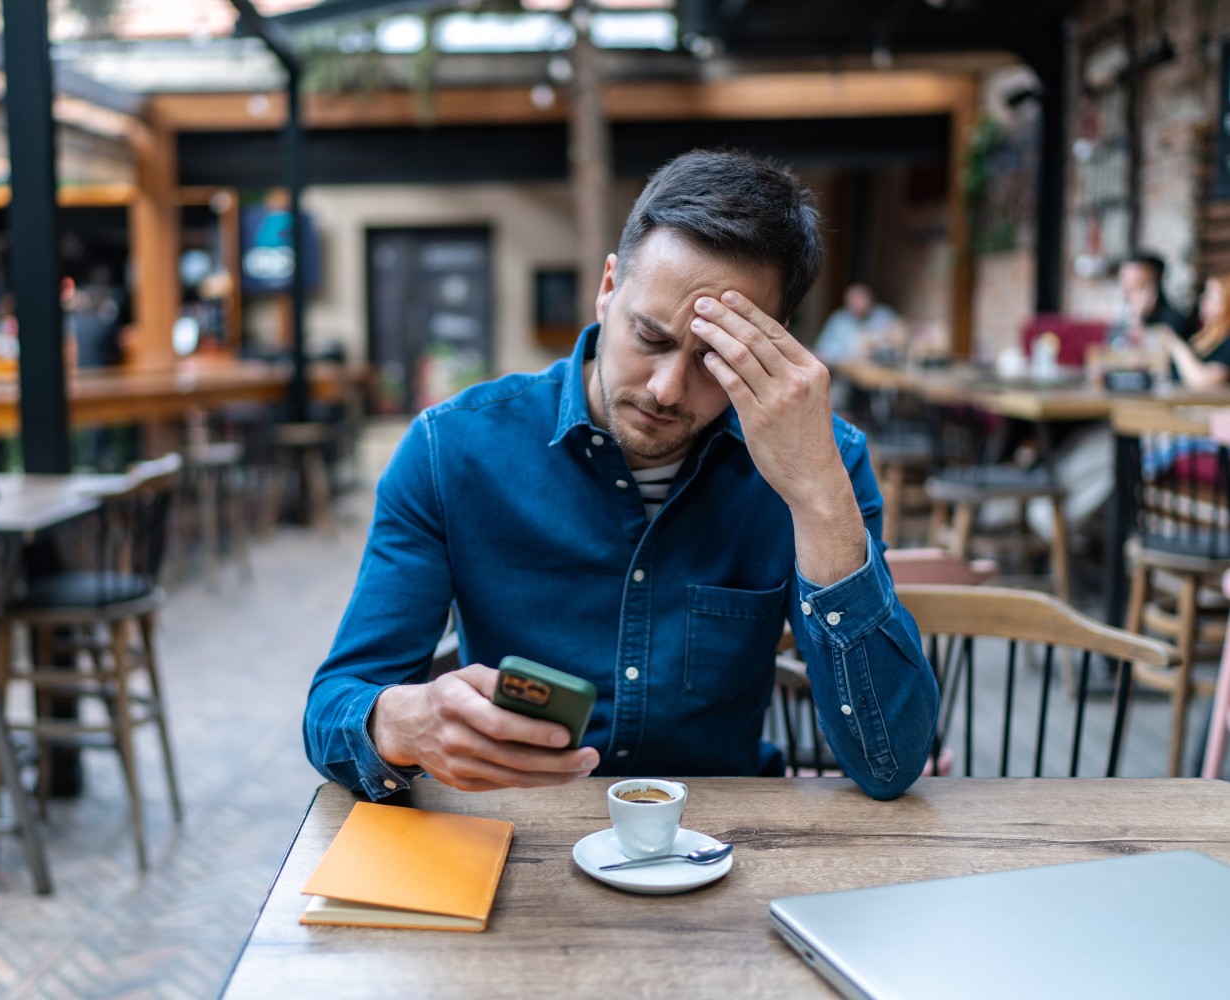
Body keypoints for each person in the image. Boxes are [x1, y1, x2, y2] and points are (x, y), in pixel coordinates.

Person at [303, 149, 939, 802]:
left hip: (723, 848)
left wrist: (817, 498)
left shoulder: (819, 461)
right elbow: (333, 710)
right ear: (608, 289)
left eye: (715, 359)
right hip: (520, 840)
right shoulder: (452, 451)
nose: (668, 389)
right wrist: (398, 724)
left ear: (771, 346)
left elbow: (890, 763)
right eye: (651, 337)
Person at [1159, 272, 1230, 389]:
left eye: (1210, 296)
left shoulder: (1227, 342)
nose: (1203, 299)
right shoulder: (1200, 338)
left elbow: (1203, 382)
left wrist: (1173, 343)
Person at [1111, 252, 1193, 348]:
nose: (1126, 294)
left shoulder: (1175, 321)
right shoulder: (1124, 321)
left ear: (1153, 288)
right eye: (1125, 285)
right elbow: (1111, 349)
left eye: (1135, 287)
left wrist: (1138, 320)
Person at [812, 283, 902, 363]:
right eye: (854, 300)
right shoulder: (839, 320)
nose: (857, 304)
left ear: (870, 299)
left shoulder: (883, 315)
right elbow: (822, 350)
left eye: (861, 299)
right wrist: (849, 354)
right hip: (847, 373)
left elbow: (899, 338)